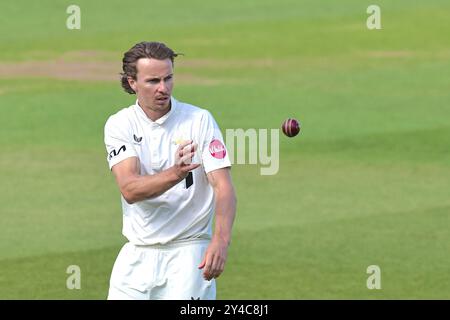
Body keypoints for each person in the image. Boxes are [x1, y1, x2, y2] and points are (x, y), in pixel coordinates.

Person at [103, 41, 237, 300]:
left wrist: (221, 240)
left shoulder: (199, 120)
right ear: (132, 83)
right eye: (153, 81)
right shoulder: (119, 124)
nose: (163, 88)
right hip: (137, 256)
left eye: (168, 78)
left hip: (189, 254)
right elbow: (129, 189)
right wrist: (176, 173)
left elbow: (223, 186)